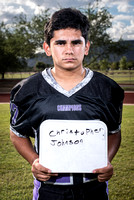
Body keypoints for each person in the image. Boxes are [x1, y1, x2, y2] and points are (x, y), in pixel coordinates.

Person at [10, 8, 124, 200]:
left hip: (93, 187)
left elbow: (113, 132)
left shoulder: (107, 88)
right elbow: (17, 134)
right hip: (50, 188)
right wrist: (34, 160)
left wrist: (107, 160)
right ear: (47, 48)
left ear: (87, 47)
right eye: (60, 43)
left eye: (76, 42)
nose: (69, 50)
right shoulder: (29, 90)